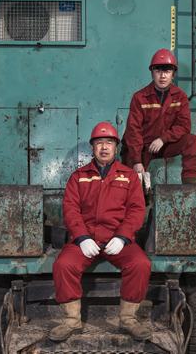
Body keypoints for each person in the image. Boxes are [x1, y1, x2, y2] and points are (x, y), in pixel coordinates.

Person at [50, 121, 151, 342]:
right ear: (92, 147)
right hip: (86, 239)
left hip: (117, 239)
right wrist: (82, 237)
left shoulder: (129, 176)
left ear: (116, 147)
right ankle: (71, 321)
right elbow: (70, 209)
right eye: (99, 143)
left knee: (140, 264)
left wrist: (123, 237)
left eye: (109, 142)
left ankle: (128, 319)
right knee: (63, 265)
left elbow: (136, 210)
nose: (104, 147)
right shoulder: (78, 176)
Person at [122, 48, 196, 184]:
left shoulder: (180, 97)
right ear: (152, 73)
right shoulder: (140, 97)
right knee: (134, 183)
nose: (163, 76)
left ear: (173, 74)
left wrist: (163, 139)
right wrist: (136, 161)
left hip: (163, 144)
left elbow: (184, 126)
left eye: (167, 71)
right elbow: (133, 130)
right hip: (141, 147)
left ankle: (192, 187)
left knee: (192, 141)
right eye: (158, 71)